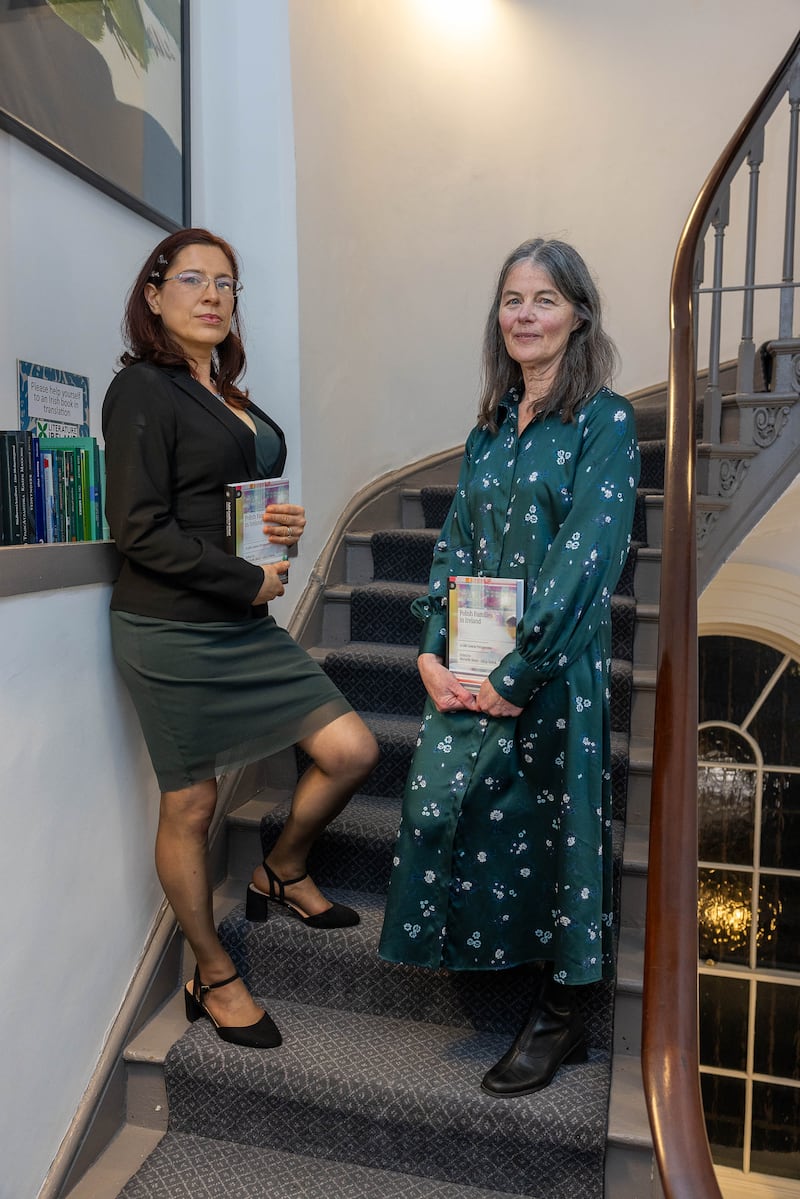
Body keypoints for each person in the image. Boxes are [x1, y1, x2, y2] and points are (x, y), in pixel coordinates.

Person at [103, 228, 379, 1049]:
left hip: (241, 621)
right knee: (188, 804)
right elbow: (138, 529)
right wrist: (244, 578)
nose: (214, 294)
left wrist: (274, 532)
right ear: (154, 295)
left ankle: (281, 867)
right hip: (170, 628)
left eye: (227, 282)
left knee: (354, 749)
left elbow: (221, 507)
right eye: (192, 278)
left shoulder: (226, 393)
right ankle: (214, 971)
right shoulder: (143, 392)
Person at [378, 238, 640, 1096]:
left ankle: (563, 1010)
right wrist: (427, 646)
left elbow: (586, 557)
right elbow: (457, 546)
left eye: (545, 300)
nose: (525, 315)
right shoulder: (488, 428)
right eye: (513, 300)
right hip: (472, 654)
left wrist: (519, 675)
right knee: (436, 802)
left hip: (557, 668)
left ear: (578, 316)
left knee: (559, 829)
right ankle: (487, 951)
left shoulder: (605, 421)